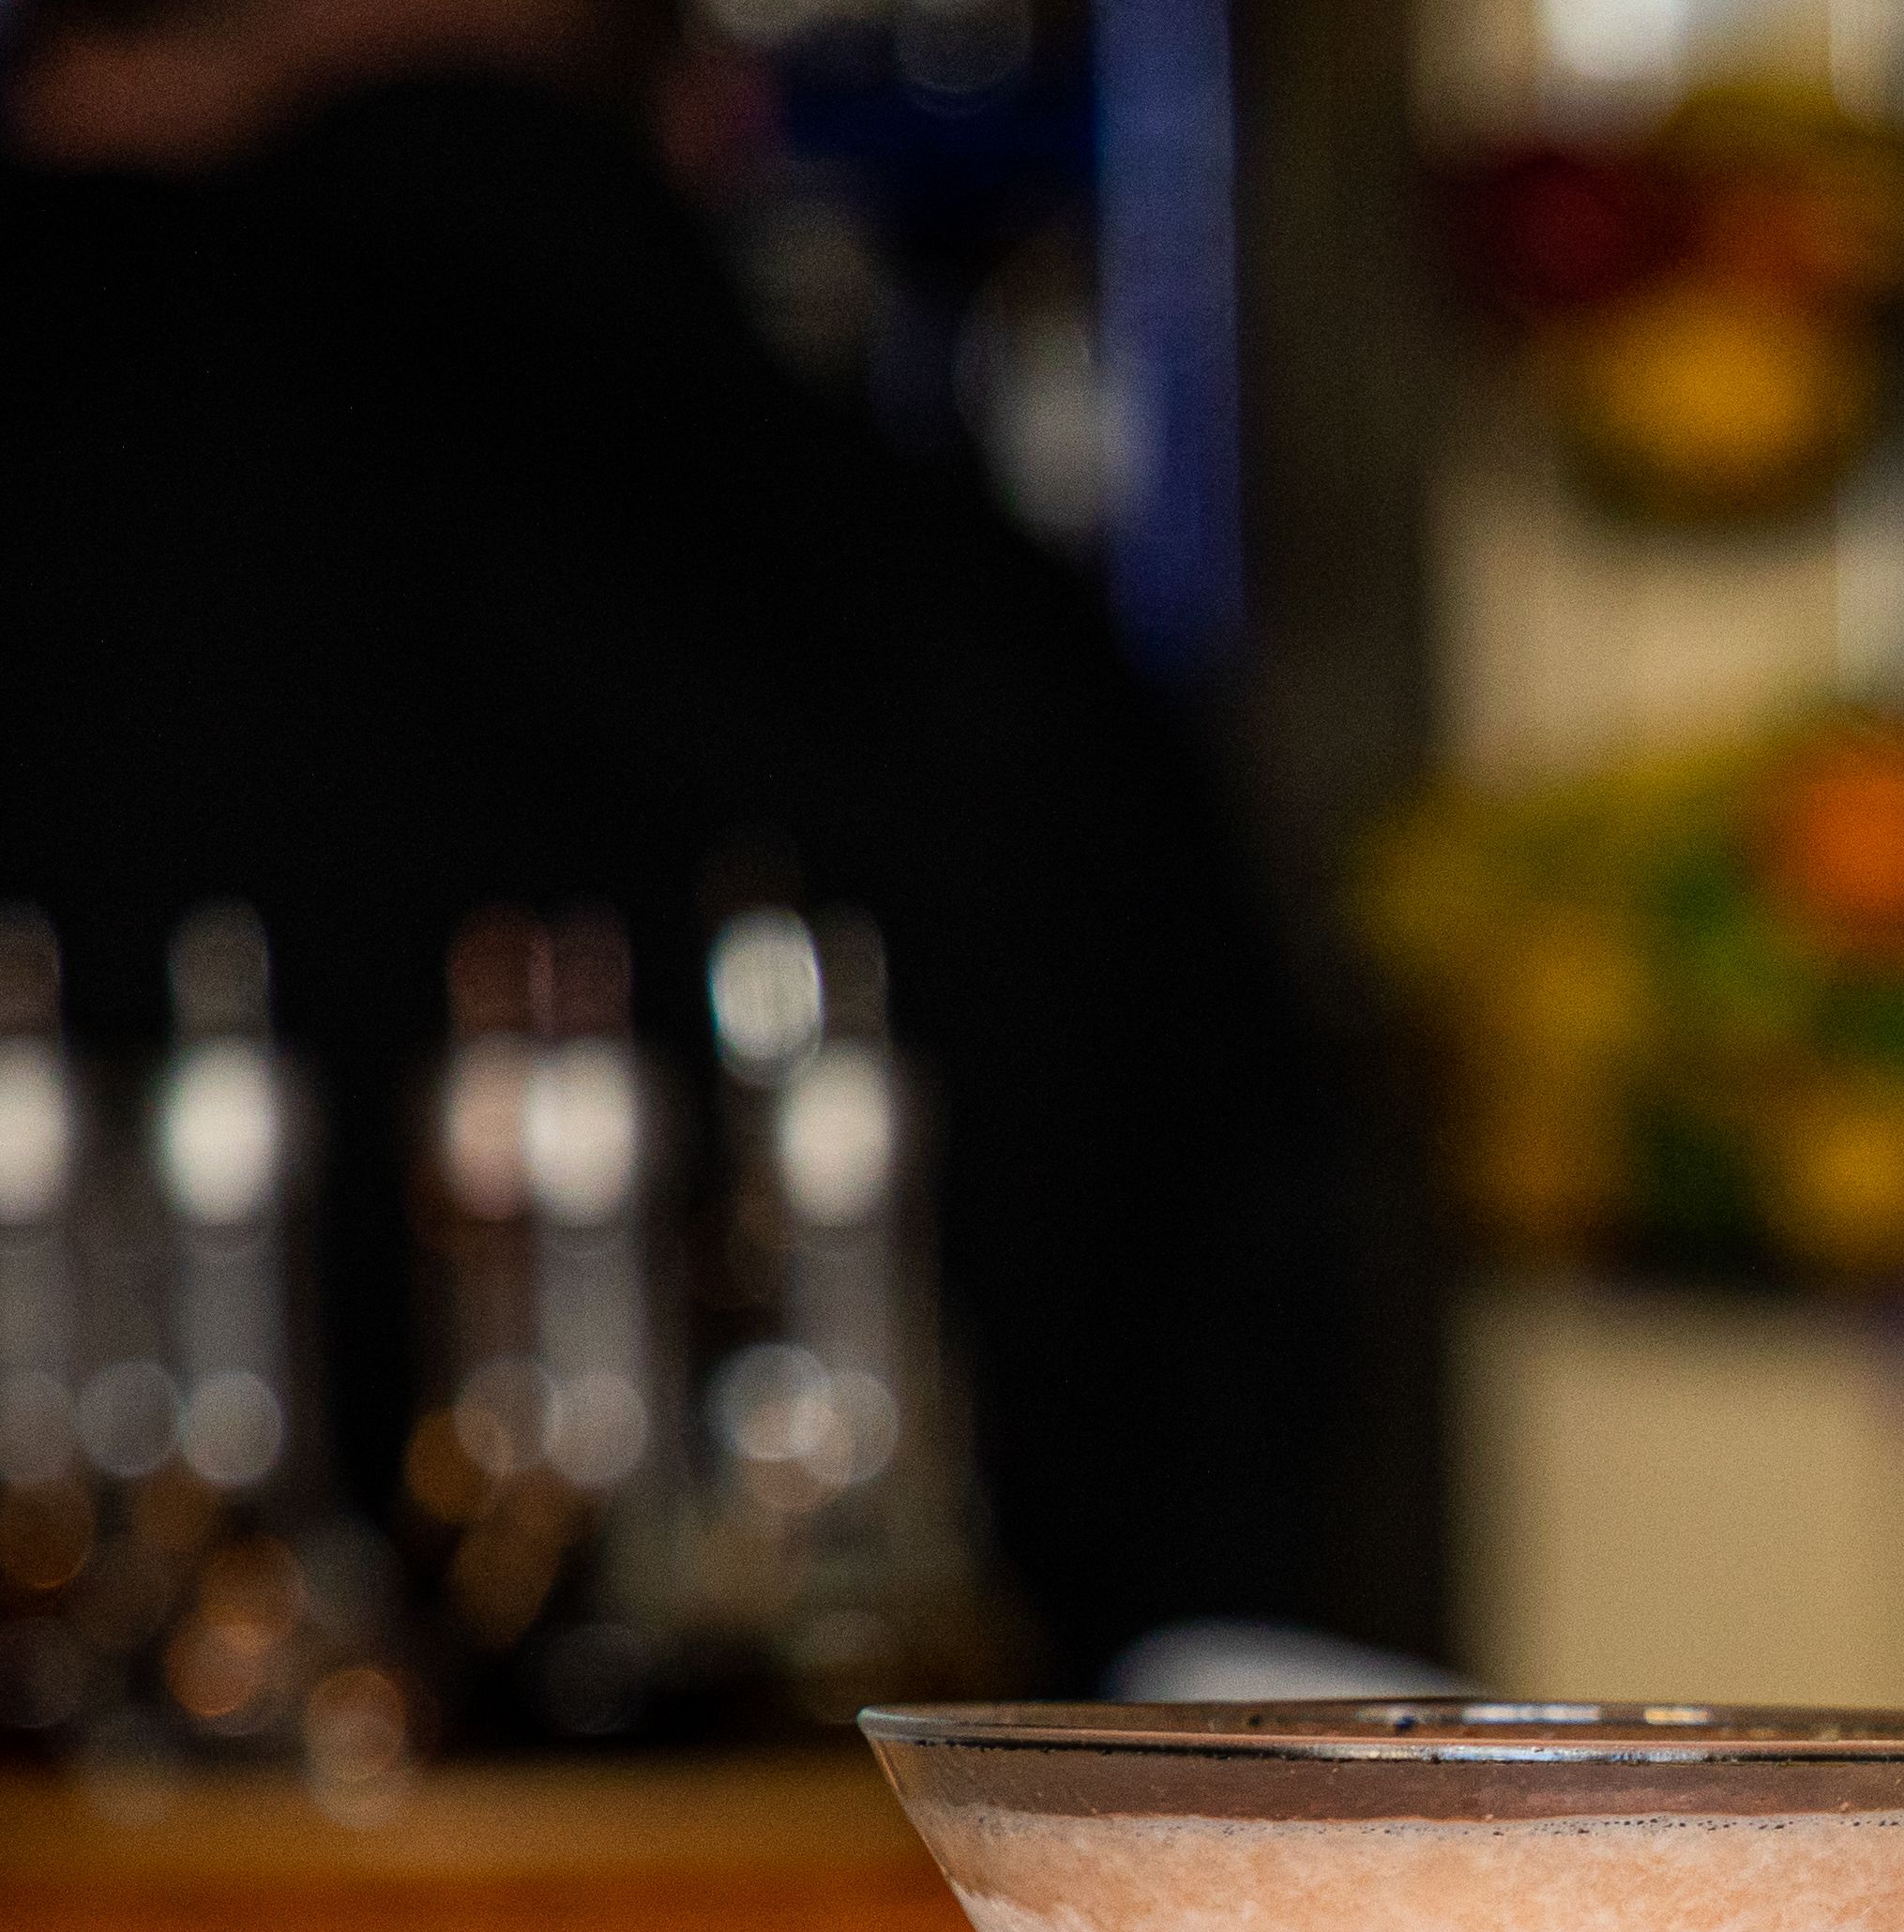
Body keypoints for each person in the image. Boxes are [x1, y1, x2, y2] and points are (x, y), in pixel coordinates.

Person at [0, 0, 1386, 1695]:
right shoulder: (972, 619)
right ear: (704, 104)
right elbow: (1239, 1395)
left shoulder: (89, 504)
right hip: (842, 1875)